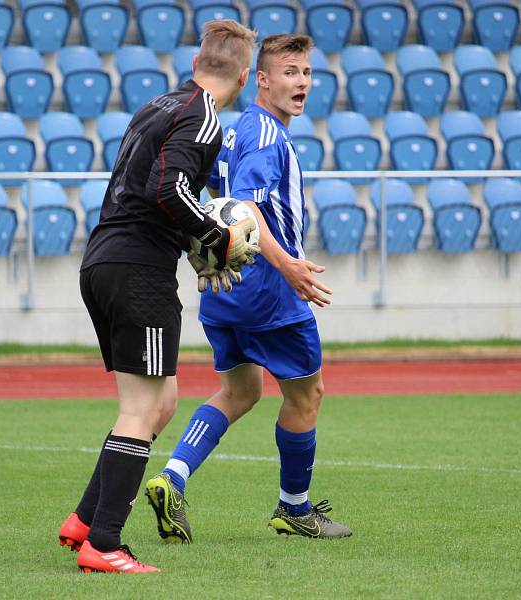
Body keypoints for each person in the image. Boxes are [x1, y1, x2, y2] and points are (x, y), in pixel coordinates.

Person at [57, 20, 259, 574]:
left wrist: (194, 242)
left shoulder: (159, 104)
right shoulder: (205, 117)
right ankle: (105, 545)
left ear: (197, 64)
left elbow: (154, 186)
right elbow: (168, 189)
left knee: (161, 403)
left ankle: (83, 521)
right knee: (140, 408)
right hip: (137, 269)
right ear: (244, 76)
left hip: (104, 259)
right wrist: (214, 237)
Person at [145, 34, 352, 543]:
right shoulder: (263, 132)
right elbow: (246, 207)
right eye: (288, 72)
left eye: (305, 72)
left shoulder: (236, 129)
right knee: (308, 394)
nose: (300, 82)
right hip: (265, 288)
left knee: (241, 391)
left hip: (223, 284)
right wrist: (289, 268)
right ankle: (295, 508)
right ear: (260, 80)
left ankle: (172, 477)